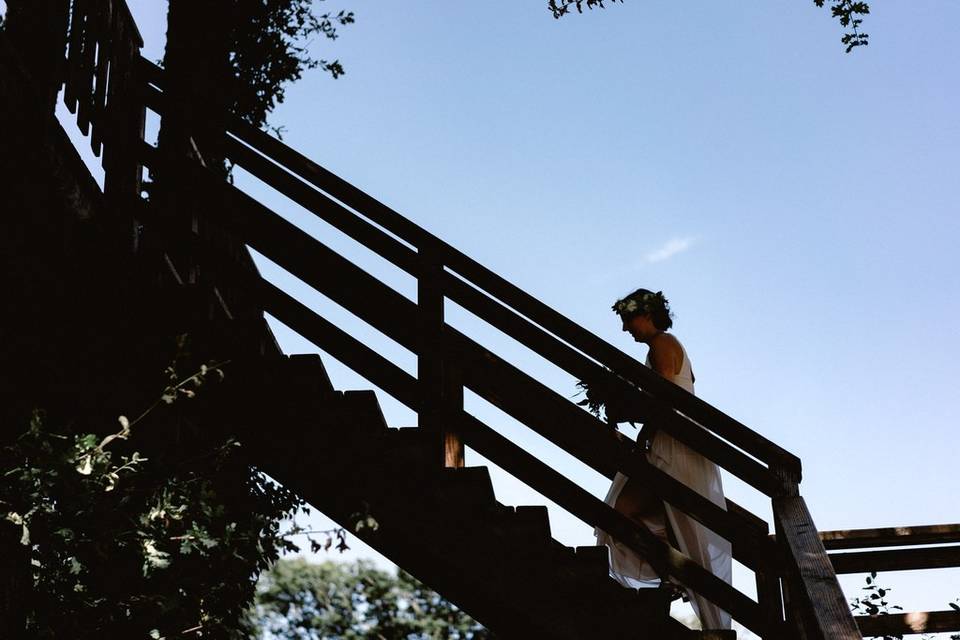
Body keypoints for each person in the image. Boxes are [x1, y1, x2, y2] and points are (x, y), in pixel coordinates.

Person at [593, 288, 732, 630]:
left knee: (621, 513)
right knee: (662, 516)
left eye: (628, 319)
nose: (626, 329)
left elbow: (666, 397)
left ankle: (672, 571)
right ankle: (673, 572)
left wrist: (629, 407)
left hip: (672, 443)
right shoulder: (668, 345)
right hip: (666, 438)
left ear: (647, 314)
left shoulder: (662, 344)